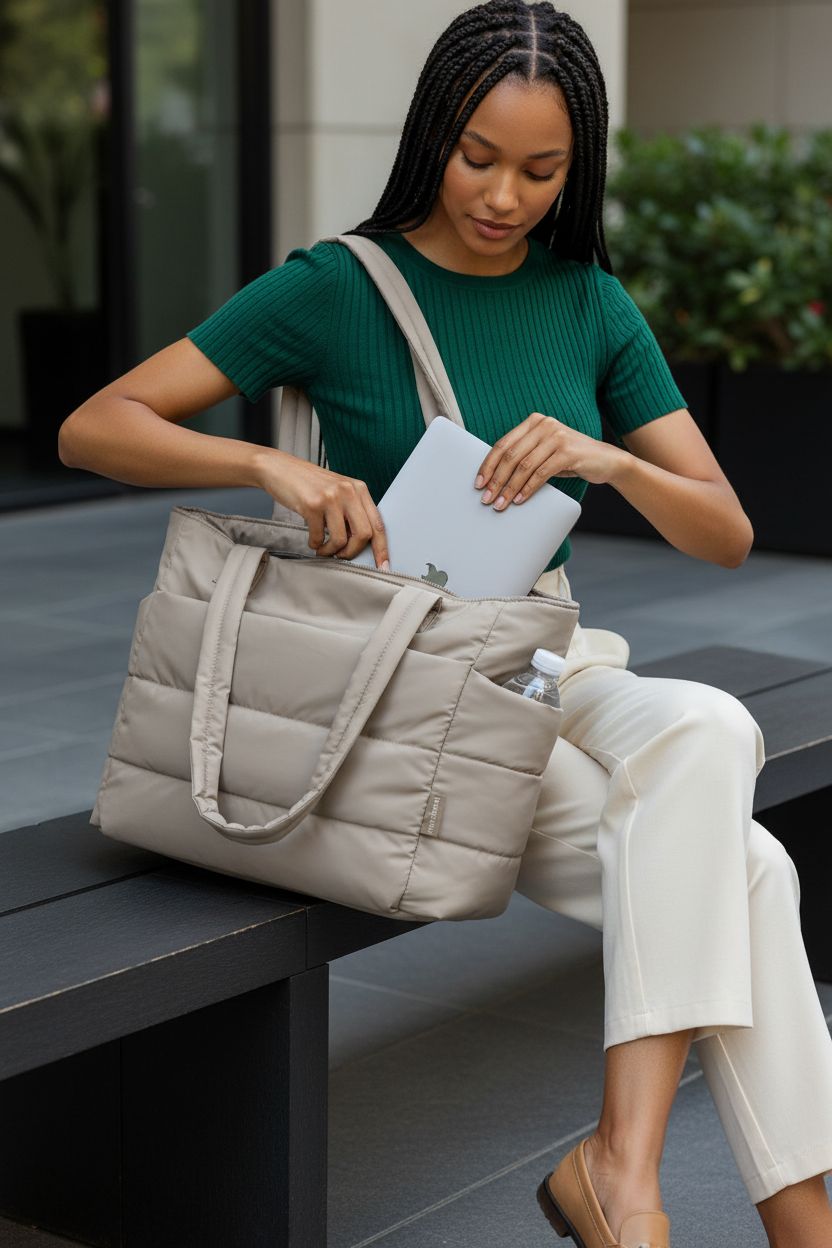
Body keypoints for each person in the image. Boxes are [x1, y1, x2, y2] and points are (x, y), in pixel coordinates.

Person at [58, 2, 832, 1244]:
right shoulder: (336, 286)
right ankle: (768, 1220)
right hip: (402, 703)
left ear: (575, 171)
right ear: (433, 136)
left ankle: (621, 1178)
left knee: (705, 728)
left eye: (542, 171)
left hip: (545, 659)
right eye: (479, 157)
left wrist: (607, 462)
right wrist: (270, 470)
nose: (503, 197)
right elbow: (94, 426)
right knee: (750, 868)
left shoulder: (589, 303)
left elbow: (725, 532)